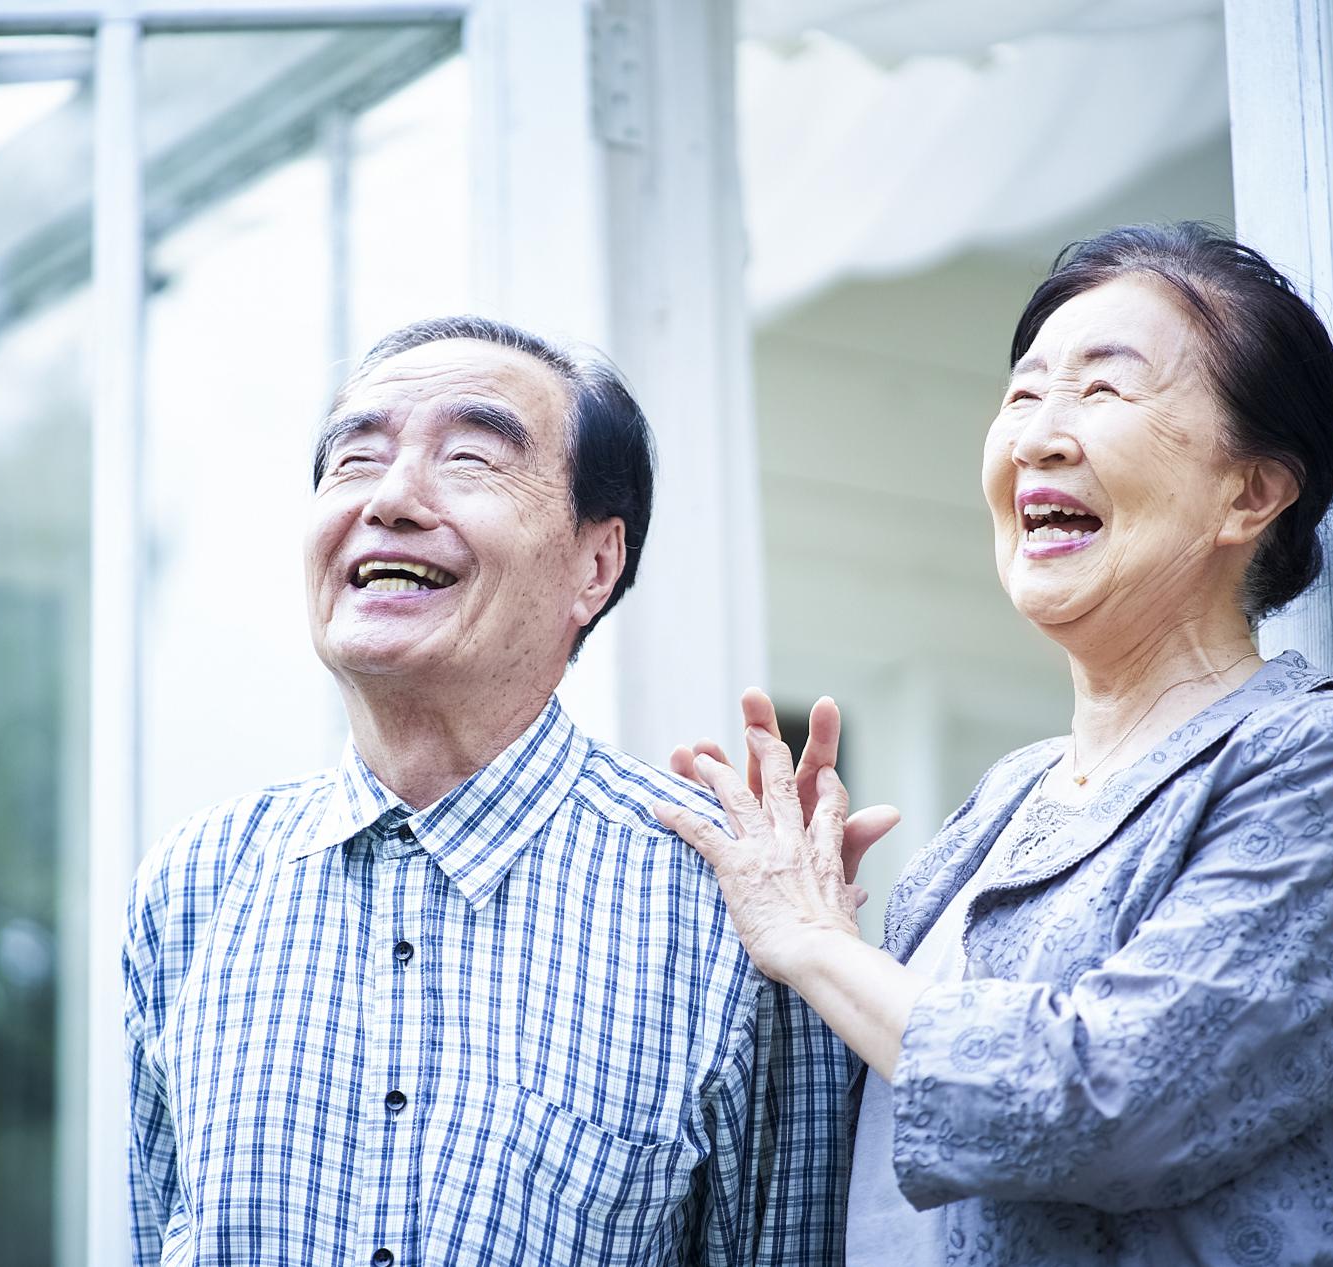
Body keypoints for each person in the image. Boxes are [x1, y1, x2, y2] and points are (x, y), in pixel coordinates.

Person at [655, 223, 1333, 1266]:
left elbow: (1107, 1102)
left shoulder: (1320, 764)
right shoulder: (1003, 801)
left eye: (1102, 392)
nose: (1036, 434)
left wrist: (816, 947)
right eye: (1022, 395)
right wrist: (794, 966)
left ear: (1248, 493)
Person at [124, 316, 856, 1266]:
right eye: (354, 460)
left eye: (469, 457)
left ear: (595, 564)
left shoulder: (735, 906)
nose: (389, 498)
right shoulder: (195, 885)